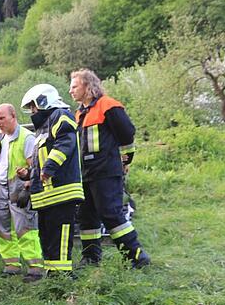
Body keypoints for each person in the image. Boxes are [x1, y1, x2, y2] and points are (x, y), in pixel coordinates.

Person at [69, 68, 150, 268]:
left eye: (74, 86)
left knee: (111, 213)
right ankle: (91, 258)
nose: (71, 91)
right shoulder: (80, 113)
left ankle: (136, 257)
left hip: (105, 171)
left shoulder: (108, 105)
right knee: (86, 217)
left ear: (87, 86)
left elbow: (127, 133)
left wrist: (126, 161)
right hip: (86, 174)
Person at [19, 84, 84, 277]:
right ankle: (53, 275)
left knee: (60, 238)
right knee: (47, 238)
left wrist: (49, 167)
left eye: (33, 106)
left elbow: (65, 143)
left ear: (44, 101)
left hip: (62, 193)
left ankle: (62, 277)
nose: (32, 111)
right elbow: (42, 160)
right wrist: (29, 174)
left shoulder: (60, 115)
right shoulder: (42, 128)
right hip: (47, 197)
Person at [0, 103, 44, 281]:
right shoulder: (2, 138)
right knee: (3, 228)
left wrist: (28, 186)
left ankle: (35, 268)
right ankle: (12, 265)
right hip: (2, 189)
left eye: (2, 118)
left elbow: (35, 168)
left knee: (25, 228)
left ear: (13, 117)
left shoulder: (26, 137)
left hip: (19, 190)